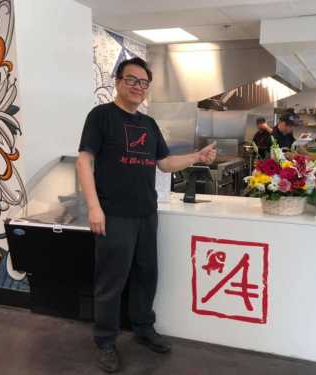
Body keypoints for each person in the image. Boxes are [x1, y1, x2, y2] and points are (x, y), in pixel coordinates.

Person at [76, 57, 217, 373]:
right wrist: (94, 207)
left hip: (146, 214)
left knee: (146, 275)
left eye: (143, 82)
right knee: (111, 281)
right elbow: (84, 161)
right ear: (118, 81)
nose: (138, 87)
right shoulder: (101, 117)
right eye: (132, 80)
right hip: (113, 214)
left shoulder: (149, 125)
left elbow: (165, 164)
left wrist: (198, 156)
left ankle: (143, 329)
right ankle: (106, 341)